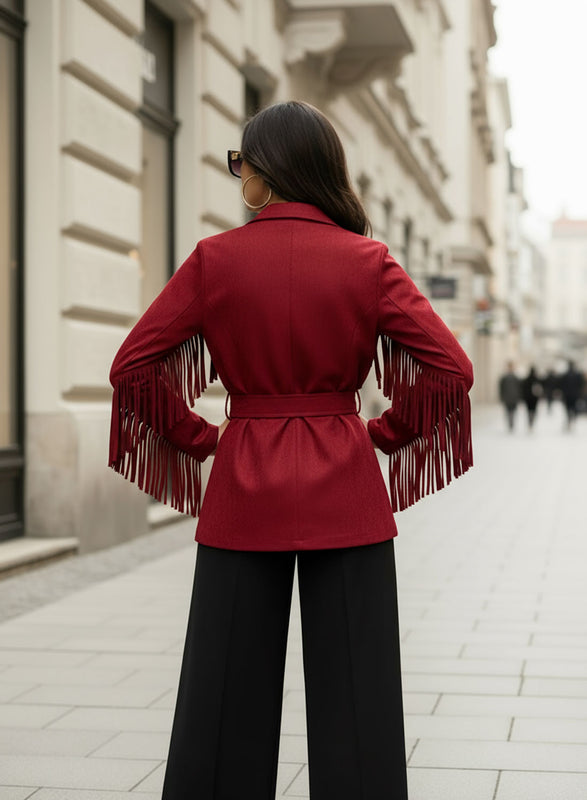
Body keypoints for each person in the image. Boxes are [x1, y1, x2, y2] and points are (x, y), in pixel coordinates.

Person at [108, 101, 473, 800]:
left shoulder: (216, 259)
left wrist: (205, 439)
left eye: (240, 161)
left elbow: (132, 369)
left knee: (222, 700)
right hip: (347, 488)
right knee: (358, 700)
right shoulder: (368, 261)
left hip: (243, 487)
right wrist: (378, 435)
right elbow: (451, 371)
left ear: (266, 172)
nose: (238, 174)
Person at [559, 360, 585, 429]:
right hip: (575, 395)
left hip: (567, 395)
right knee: (574, 408)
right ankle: (572, 419)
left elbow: (561, 385)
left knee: (568, 408)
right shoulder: (578, 375)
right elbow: (581, 384)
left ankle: (569, 420)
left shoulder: (565, 375)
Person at [498, 361, 521, 432]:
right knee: (508, 412)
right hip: (507, 398)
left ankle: (511, 423)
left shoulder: (516, 378)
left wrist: (519, 397)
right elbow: (501, 388)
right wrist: (501, 397)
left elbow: (519, 388)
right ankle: (510, 423)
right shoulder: (504, 378)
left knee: (513, 412)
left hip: (514, 398)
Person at [520, 365, 542, 430]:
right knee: (534, 410)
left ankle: (530, 421)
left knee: (529, 410)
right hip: (534, 398)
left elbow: (523, 389)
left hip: (528, 398)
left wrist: (523, 397)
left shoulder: (526, 379)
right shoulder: (537, 380)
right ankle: (532, 421)